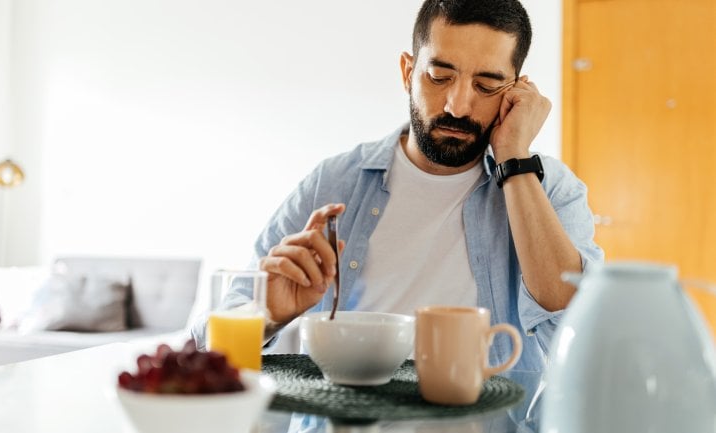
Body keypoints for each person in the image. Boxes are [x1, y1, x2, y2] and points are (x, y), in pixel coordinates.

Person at [193, 0, 603, 372]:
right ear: (408, 71)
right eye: (440, 76)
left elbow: (577, 318)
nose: (457, 106)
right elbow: (205, 345)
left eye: (486, 85)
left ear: (517, 91)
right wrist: (266, 313)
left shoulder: (548, 188)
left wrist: (514, 157)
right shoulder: (334, 182)